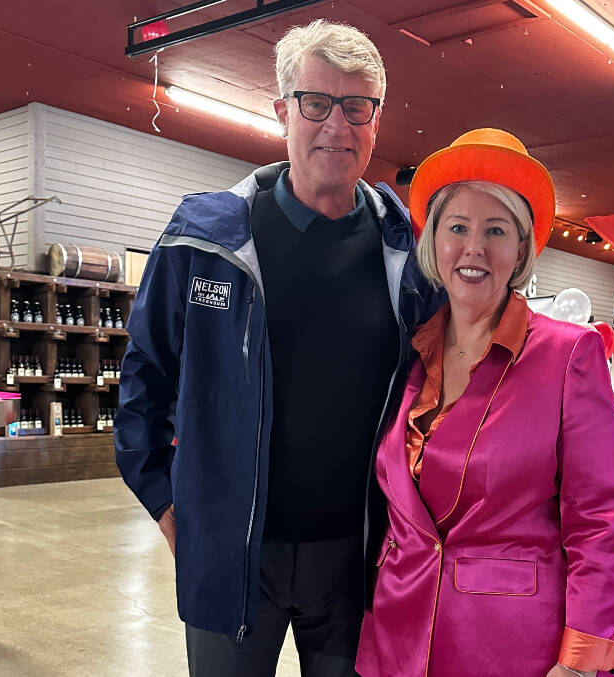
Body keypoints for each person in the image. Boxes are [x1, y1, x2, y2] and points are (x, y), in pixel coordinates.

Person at [115, 20, 439, 677]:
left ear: (377, 120)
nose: (337, 128)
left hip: (357, 560)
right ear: (281, 110)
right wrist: (168, 503)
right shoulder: (203, 241)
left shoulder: (409, 254)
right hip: (233, 555)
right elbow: (143, 382)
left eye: (358, 108)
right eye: (317, 103)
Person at [355, 129, 614, 677]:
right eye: (457, 227)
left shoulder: (567, 354)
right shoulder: (409, 353)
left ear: (522, 249)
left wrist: (581, 658)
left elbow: (599, 520)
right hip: (396, 632)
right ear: (433, 241)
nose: (473, 248)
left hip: (509, 645)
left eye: (496, 230)